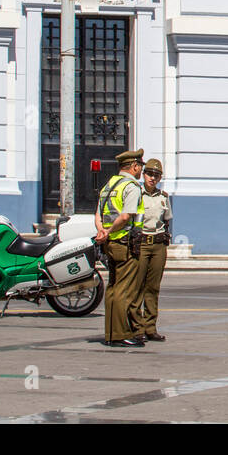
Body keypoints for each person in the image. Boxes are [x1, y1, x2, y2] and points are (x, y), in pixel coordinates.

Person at [94, 148, 147, 348]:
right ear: (134, 166)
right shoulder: (131, 187)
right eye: (140, 166)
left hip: (110, 244)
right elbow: (126, 216)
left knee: (113, 288)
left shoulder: (108, 186)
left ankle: (110, 332)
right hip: (125, 242)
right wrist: (109, 231)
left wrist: (102, 231)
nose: (141, 170)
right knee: (124, 289)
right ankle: (120, 334)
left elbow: (98, 215)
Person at [129, 158, 171, 342]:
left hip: (158, 243)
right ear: (143, 175)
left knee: (153, 287)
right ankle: (137, 328)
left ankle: (150, 327)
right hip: (142, 242)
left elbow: (167, 219)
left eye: (156, 175)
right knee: (137, 286)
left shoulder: (163, 197)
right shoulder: (137, 194)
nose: (152, 178)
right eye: (149, 174)